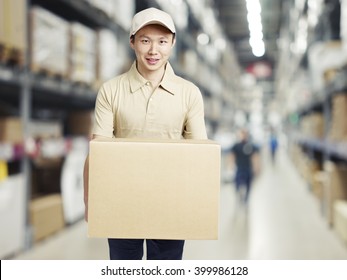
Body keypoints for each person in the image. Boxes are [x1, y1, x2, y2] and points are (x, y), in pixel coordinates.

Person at [83, 7, 207, 260]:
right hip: (121, 201)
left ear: (172, 43)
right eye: (145, 40)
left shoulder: (189, 93)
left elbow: (200, 156)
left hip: (172, 201)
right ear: (132, 42)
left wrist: (199, 206)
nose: (154, 51)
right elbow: (99, 152)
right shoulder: (111, 90)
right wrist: (90, 200)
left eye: (162, 41)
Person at [229, 129, 260, 205]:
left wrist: (256, 167)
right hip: (239, 168)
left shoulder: (251, 146)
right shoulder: (236, 146)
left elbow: (254, 156)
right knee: (237, 183)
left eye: (245, 134)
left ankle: (246, 199)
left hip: (248, 168)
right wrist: (231, 165)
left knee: (248, 184)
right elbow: (232, 155)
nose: (244, 136)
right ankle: (239, 194)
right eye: (242, 134)